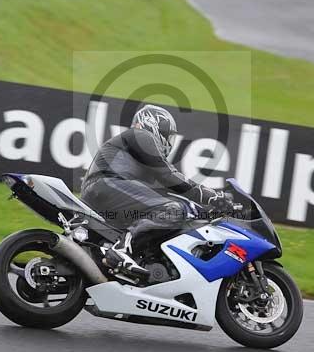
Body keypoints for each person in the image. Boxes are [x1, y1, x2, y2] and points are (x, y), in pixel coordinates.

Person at [81, 104, 231, 278]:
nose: (170, 142)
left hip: (106, 189)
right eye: (169, 136)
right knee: (173, 210)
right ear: (155, 125)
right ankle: (121, 250)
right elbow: (168, 175)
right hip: (108, 184)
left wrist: (203, 212)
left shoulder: (136, 156)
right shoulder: (141, 135)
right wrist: (210, 196)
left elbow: (164, 194)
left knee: (170, 209)